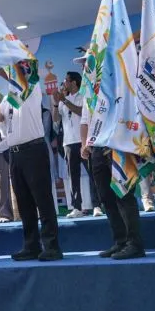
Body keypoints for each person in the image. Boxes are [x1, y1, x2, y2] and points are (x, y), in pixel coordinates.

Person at [0, 81, 63, 261]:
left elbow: (21, 83)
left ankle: (51, 246)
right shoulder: (7, 98)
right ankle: (31, 245)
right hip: (15, 153)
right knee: (24, 202)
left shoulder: (31, 87)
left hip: (34, 149)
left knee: (42, 200)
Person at [80, 104, 145, 258]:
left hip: (117, 145)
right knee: (106, 197)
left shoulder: (117, 87)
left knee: (124, 195)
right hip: (96, 148)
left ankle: (134, 244)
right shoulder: (88, 91)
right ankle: (120, 241)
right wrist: (84, 144)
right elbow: (85, 121)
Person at [53, 71, 101, 218]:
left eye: (66, 80)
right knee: (73, 176)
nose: (64, 83)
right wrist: (56, 102)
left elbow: (81, 112)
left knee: (92, 174)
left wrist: (64, 100)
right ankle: (76, 207)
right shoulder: (63, 100)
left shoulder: (84, 96)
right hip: (68, 142)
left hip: (83, 141)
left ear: (74, 82)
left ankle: (97, 205)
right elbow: (56, 119)